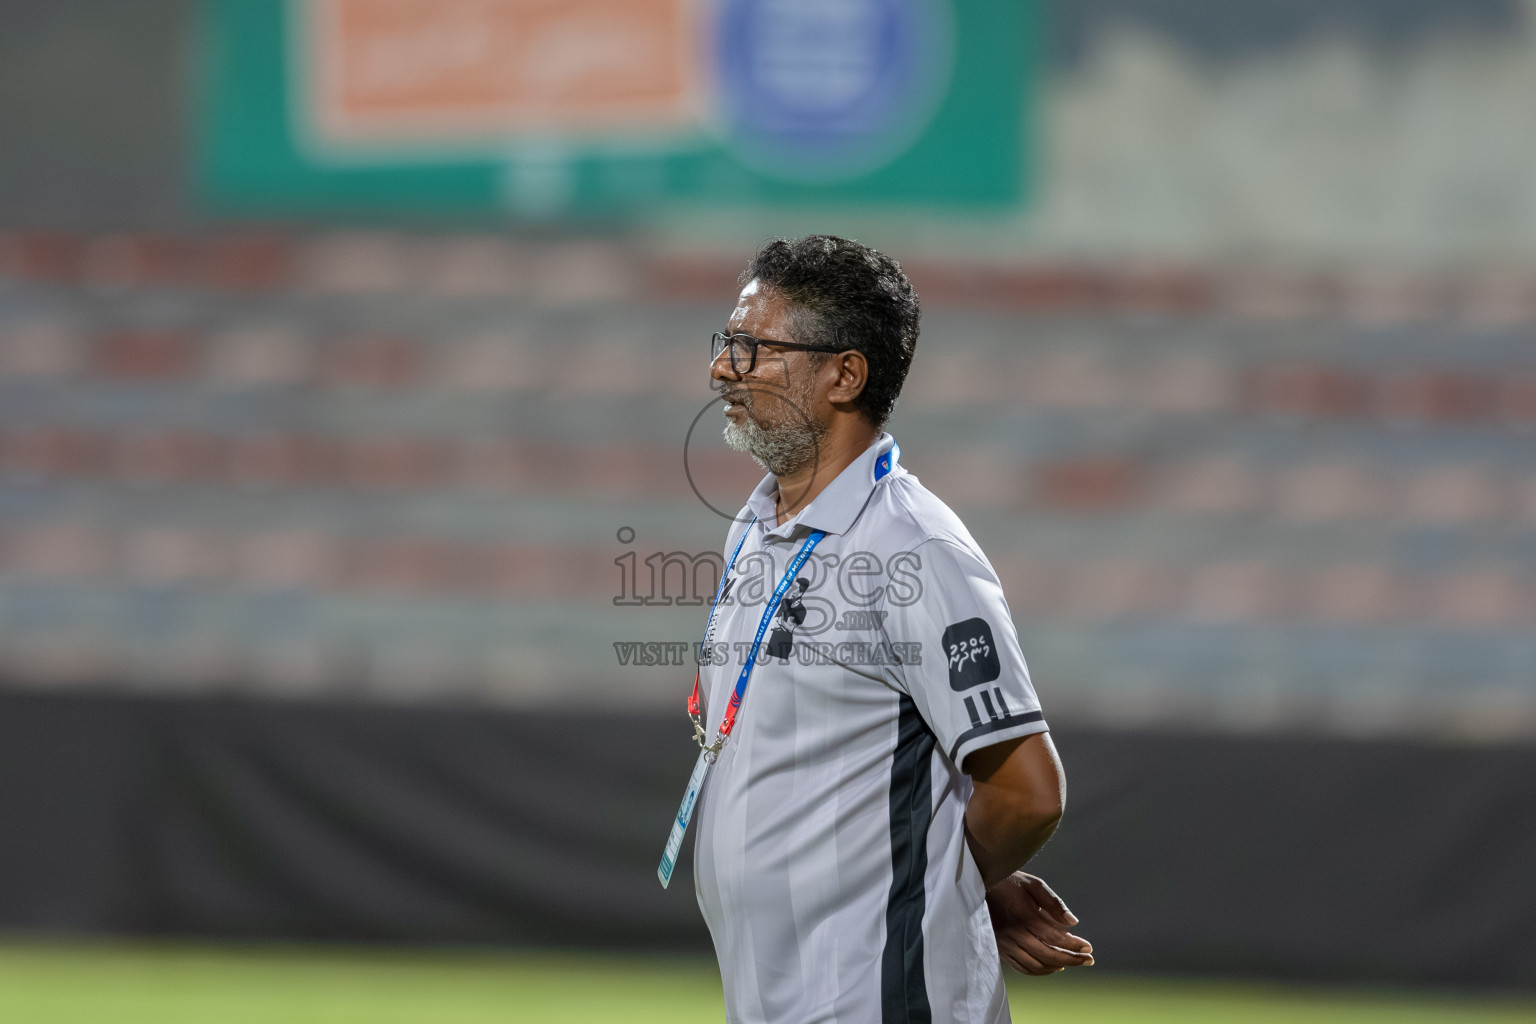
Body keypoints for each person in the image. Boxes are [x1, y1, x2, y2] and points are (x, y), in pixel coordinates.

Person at [679, 235, 1092, 1024]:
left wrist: (947, 881)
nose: (721, 367)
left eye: (752, 346)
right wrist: (973, 879)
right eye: (726, 343)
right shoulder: (758, 522)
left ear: (845, 374)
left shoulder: (915, 548)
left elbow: (1029, 793)